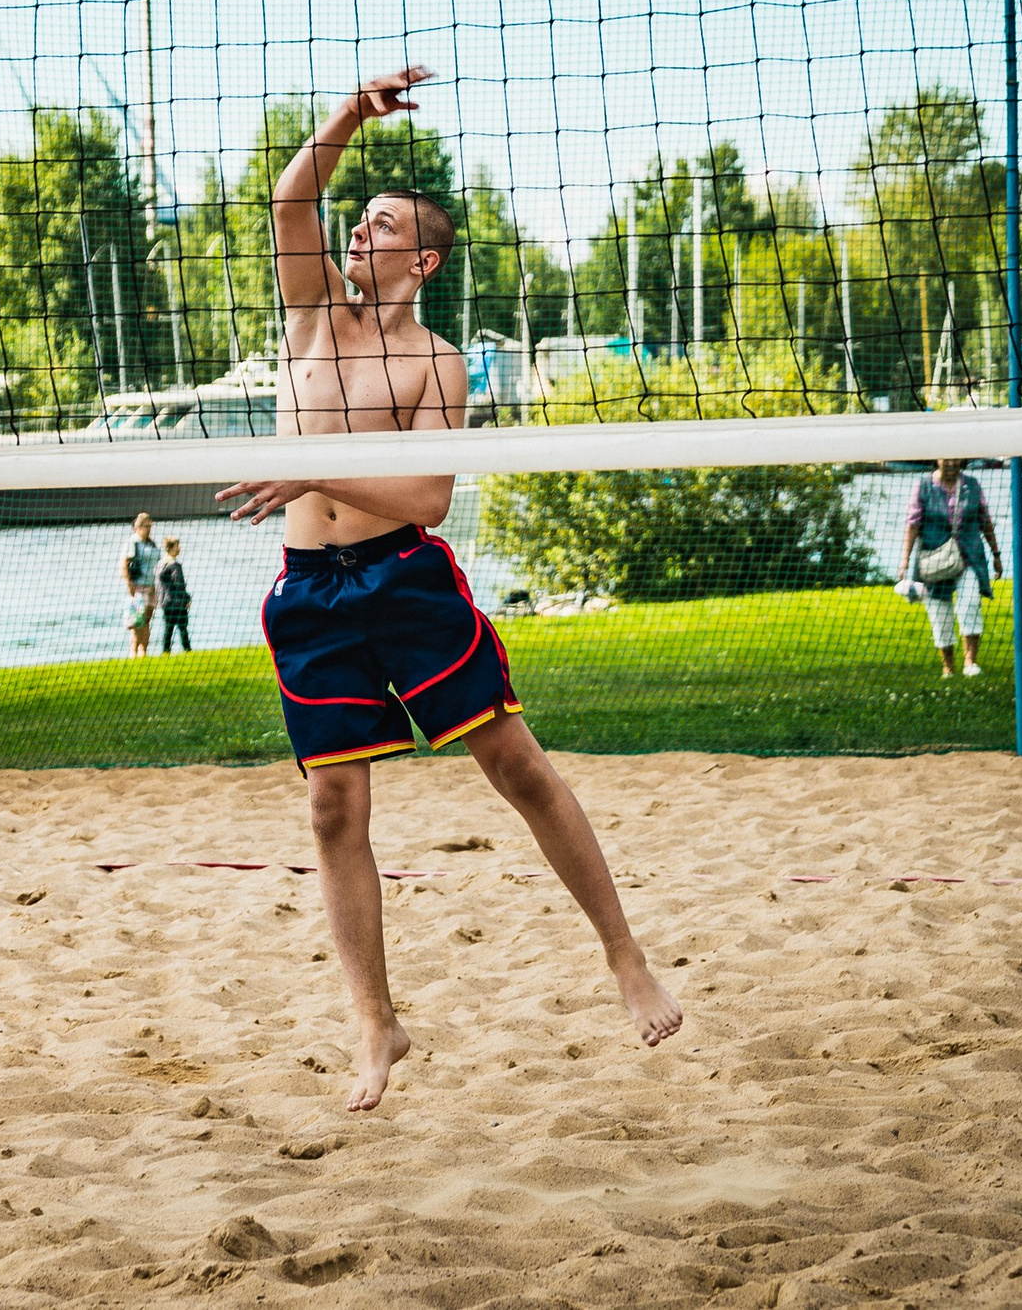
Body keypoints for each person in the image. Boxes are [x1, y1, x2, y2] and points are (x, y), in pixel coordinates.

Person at [214, 67, 683, 1113]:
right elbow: (291, 199)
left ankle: (622, 957)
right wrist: (345, 111)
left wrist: (313, 467)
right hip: (308, 593)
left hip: (405, 582)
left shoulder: (438, 362)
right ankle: (377, 1025)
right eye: (359, 223)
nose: (356, 236)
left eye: (378, 228)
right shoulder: (310, 322)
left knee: (513, 765)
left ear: (420, 257)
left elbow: (425, 496)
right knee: (334, 807)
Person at [899, 457, 1003, 678]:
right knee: (939, 613)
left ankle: (970, 662)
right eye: (947, 460)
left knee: (970, 604)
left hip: (968, 557)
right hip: (934, 559)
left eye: (956, 460)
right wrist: (905, 561)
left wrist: (996, 554)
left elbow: (985, 520)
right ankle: (948, 667)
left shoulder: (972, 485)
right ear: (938, 460)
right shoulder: (923, 486)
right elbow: (913, 524)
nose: (952, 464)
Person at [121, 512, 163, 657]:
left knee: (146, 621)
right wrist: (129, 584)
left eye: (150, 526)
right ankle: (134, 652)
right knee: (137, 622)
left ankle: (143, 652)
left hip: (152, 587)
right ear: (138, 527)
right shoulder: (133, 542)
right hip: (139, 586)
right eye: (146, 526)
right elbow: (124, 564)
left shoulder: (150, 543)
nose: (149, 528)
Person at [157, 535, 193, 653]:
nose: (179, 548)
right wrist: (187, 599)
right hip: (177, 601)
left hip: (165, 602)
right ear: (171, 548)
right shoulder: (174, 565)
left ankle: (166, 651)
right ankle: (187, 650)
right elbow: (179, 584)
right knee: (183, 628)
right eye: (177, 546)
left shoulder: (161, 564)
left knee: (168, 629)